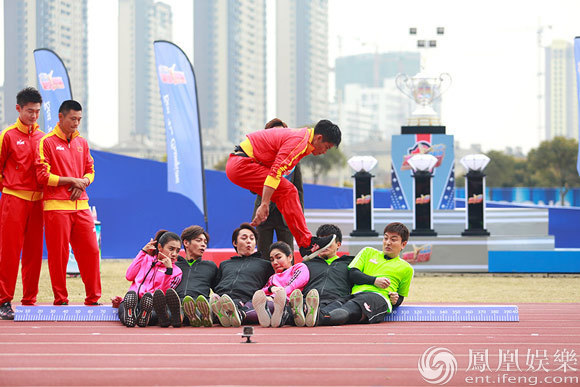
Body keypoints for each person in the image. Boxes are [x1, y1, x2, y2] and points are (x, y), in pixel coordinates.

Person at [226, 119, 341, 259]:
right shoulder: (299, 141)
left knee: (286, 192)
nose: (324, 152)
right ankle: (307, 244)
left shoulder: (303, 141)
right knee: (289, 191)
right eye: (327, 147)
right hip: (241, 164)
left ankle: (306, 244)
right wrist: (264, 204)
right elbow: (275, 172)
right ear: (319, 138)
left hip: (240, 164)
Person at [35, 100, 101, 306]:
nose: (76, 123)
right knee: (58, 257)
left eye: (79, 119)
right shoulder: (46, 142)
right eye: (73, 119)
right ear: (60, 117)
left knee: (91, 252)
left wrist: (83, 183)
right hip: (55, 208)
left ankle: (93, 299)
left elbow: (90, 171)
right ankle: (60, 299)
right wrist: (72, 181)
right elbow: (42, 176)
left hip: (81, 206)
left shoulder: (82, 142)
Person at [0, 87, 44, 320]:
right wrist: (9, 189)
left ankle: (29, 301)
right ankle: (3, 301)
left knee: (34, 253)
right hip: (13, 199)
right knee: (9, 252)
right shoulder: (7, 135)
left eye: (37, 112)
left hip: (37, 203)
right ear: (18, 109)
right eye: (29, 111)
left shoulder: (43, 138)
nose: (34, 116)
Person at [320, 222, 414, 326]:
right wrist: (374, 281)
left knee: (348, 309)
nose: (388, 242)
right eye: (386, 238)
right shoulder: (368, 252)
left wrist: (395, 299)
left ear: (403, 244)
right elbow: (353, 274)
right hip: (354, 295)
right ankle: (311, 317)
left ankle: (319, 319)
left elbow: (400, 297)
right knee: (333, 306)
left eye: (393, 239)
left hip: (378, 298)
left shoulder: (407, 268)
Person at [252, 118, 304, 259]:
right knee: (263, 256)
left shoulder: (293, 158)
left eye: (282, 132)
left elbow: (298, 189)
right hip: (264, 213)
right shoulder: (260, 157)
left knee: (287, 255)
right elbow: (252, 187)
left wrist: (299, 215)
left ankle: (289, 280)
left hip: (285, 214)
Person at [210, 223, 274, 327]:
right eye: (244, 238)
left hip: (245, 300)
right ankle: (222, 313)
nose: (249, 241)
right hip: (222, 298)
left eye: (252, 238)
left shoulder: (265, 265)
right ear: (235, 243)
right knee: (211, 302)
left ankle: (230, 314)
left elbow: (270, 284)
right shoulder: (225, 264)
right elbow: (216, 284)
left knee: (263, 306)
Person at [291, 224, 354, 327]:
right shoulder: (306, 264)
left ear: (338, 244)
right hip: (309, 300)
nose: (324, 245)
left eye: (328, 242)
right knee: (292, 305)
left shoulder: (349, 263)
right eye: (322, 241)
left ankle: (313, 316)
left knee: (342, 312)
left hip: (336, 301)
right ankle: (298, 314)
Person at [119, 230, 183, 328]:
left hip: (151, 304)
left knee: (153, 314)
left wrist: (168, 271)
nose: (174, 254)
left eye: (177, 251)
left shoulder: (176, 271)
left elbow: (163, 295)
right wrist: (143, 252)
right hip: (133, 299)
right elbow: (129, 276)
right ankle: (131, 316)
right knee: (124, 308)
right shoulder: (145, 259)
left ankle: (144, 317)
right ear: (160, 247)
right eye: (171, 249)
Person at [252, 241, 310, 328]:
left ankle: (273, 313)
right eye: (271, 260)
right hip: (270, 301)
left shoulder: (299, 267)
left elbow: (295, 284)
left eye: (278, 257)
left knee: (272, 305)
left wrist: (277, 295)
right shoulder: (272, 278)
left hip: (289, 303)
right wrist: (271, 289)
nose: (275, 262)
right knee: (252, 305)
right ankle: (239, 314)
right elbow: (261, 292)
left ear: (290, 257)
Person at [176, 225, 218, 327]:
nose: (203, 245)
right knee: (160, 313)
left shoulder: (210, 266)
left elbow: (220, 289)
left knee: (206, 307)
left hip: (200, 303)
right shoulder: (174, 266)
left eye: (205, 242)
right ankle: (185, 316)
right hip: (177, 304)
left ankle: (200, 316)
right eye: (199, 241)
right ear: (186, 243)